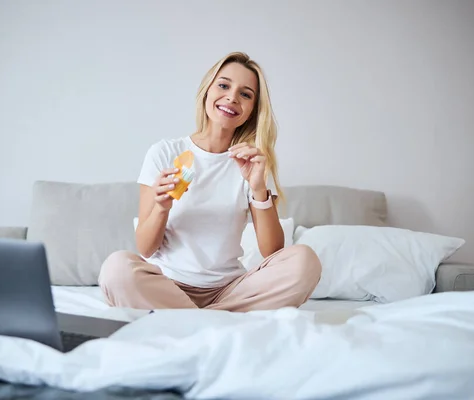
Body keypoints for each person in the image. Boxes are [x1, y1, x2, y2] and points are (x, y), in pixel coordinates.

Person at [98, 52, 322, 312]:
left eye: (246, 94)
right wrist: (162, 207)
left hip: (229, 291)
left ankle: (194, 318)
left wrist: (258, 188)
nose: (232, 97)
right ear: (207, 91)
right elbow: (146, 248)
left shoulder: (253, 162)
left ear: (251, 111)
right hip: (167, 287)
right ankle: (218, 319)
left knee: (305, 261)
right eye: (224, 85)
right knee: (116, 269)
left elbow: (272, 251)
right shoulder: (164, 153)